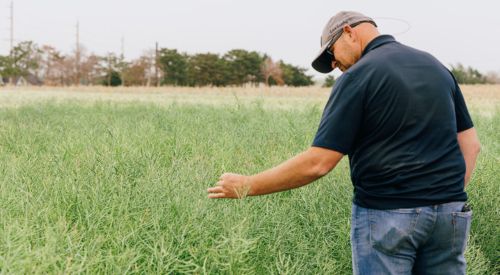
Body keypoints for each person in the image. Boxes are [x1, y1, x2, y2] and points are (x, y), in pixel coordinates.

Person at [207, 11, 481, 275]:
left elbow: (318, 163)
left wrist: (247, 185)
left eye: (331, 54)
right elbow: (470, 144)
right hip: (450, 215)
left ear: (349, 32)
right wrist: (445, 196)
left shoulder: (359, 77)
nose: (335, 65)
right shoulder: (436, 67)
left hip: (387, 216)